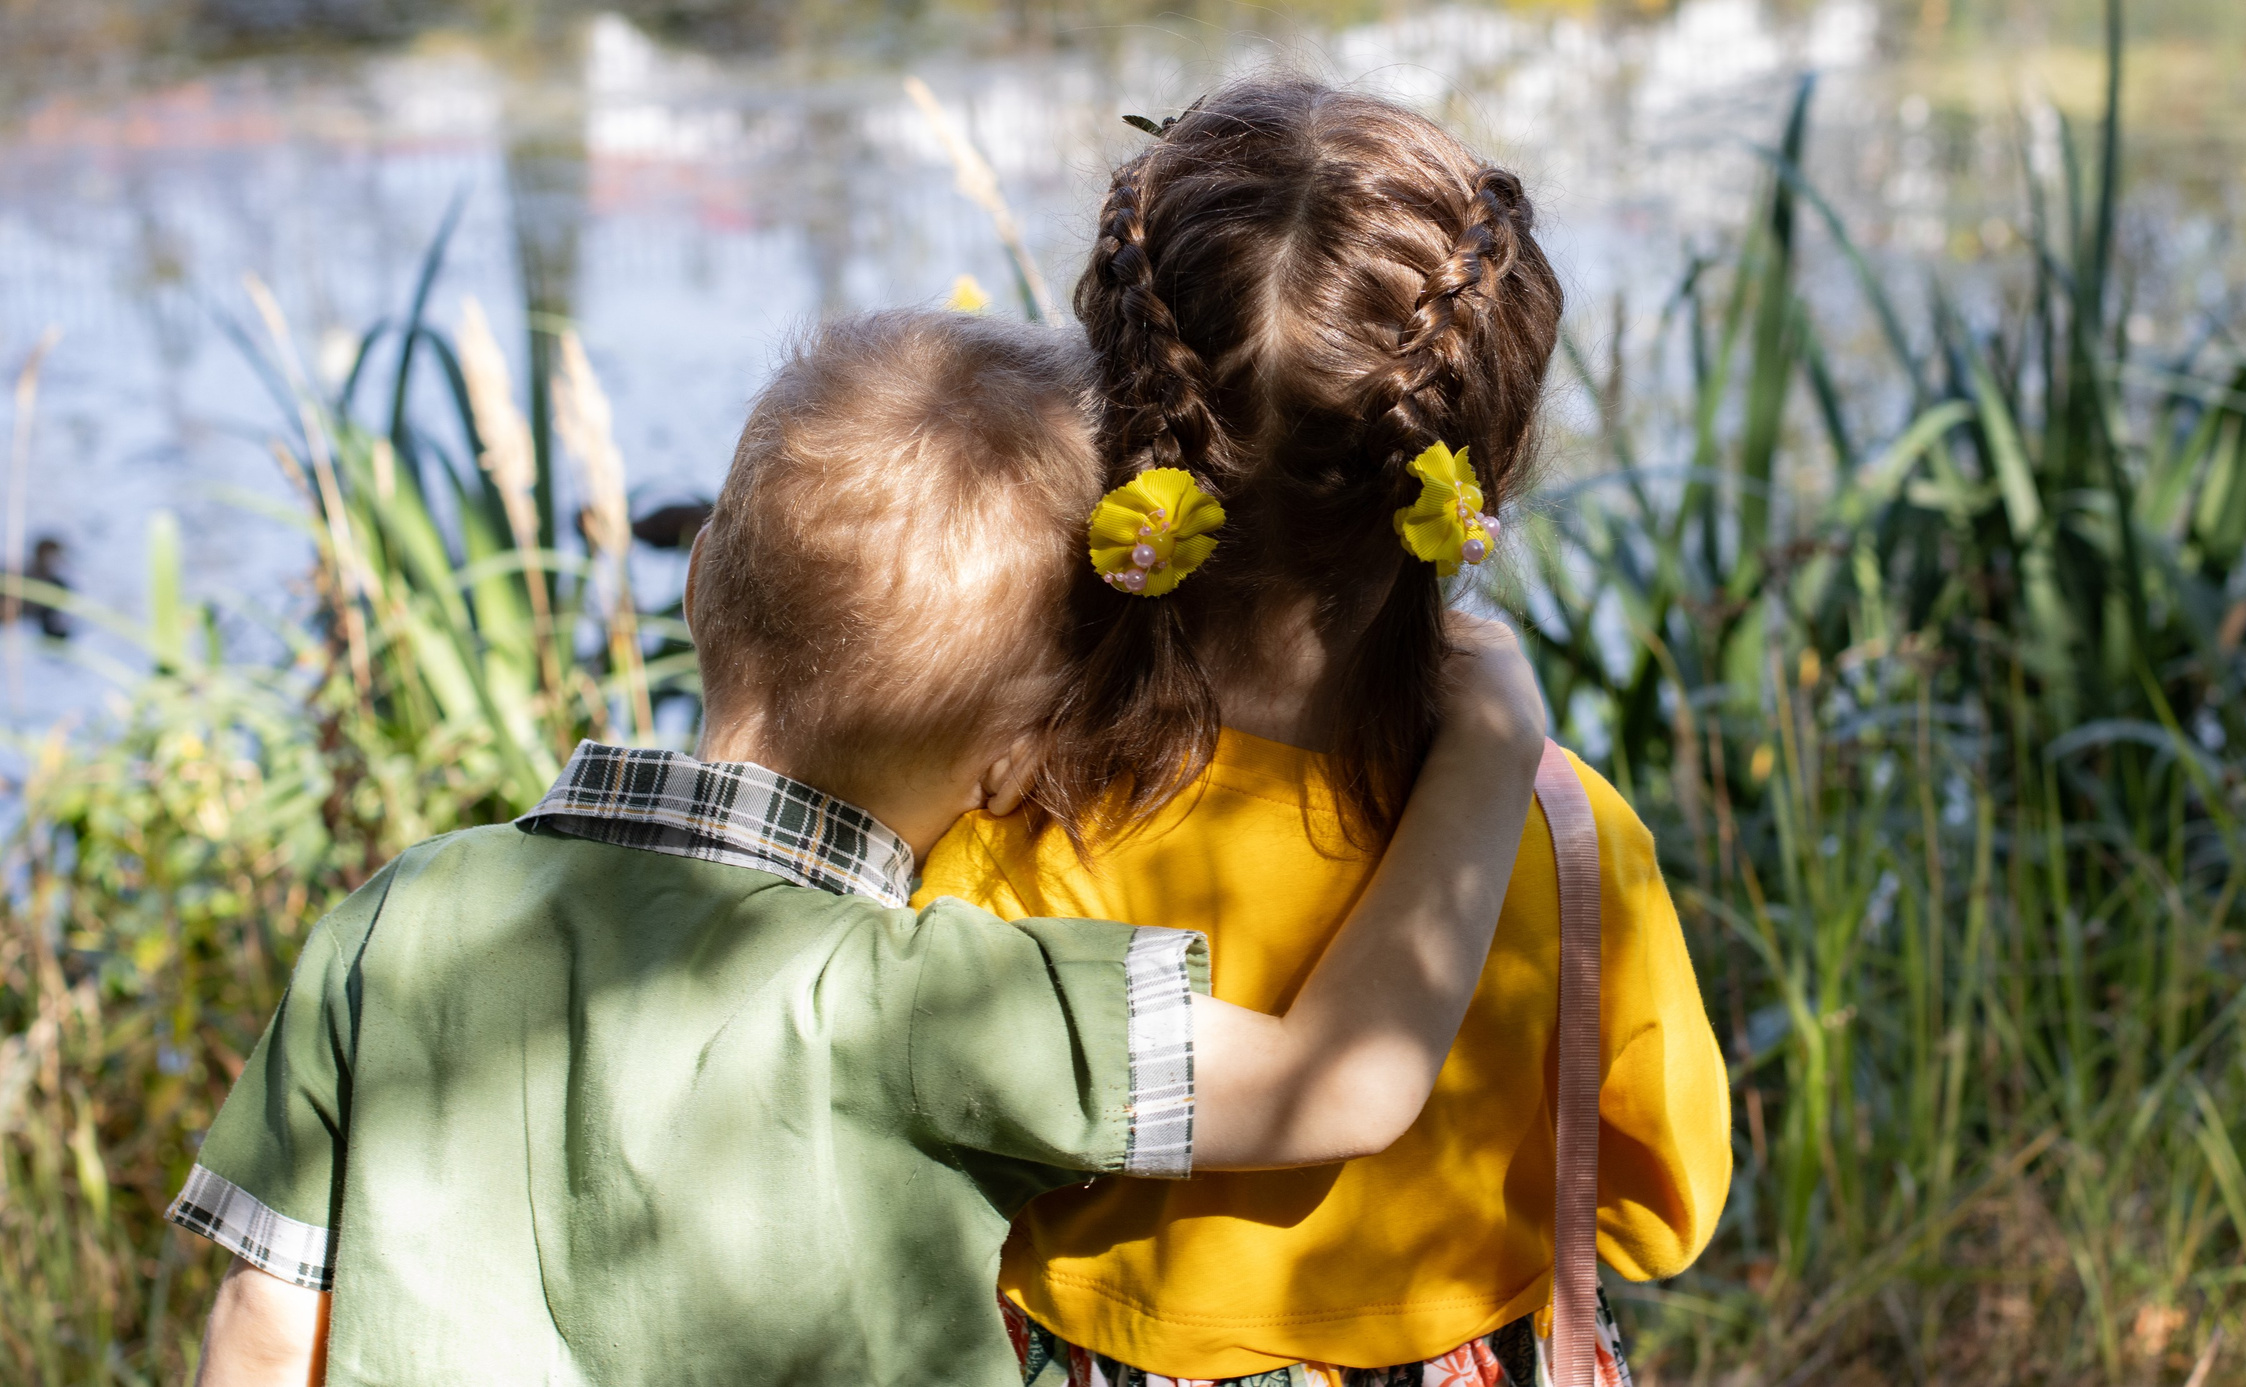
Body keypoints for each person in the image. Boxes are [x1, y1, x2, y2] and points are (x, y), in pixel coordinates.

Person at [176, 309, 1553, 1387]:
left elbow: (264, 1328)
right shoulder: (936, 1002)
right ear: (1023, 756)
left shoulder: (398, 921)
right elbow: (1340, 1084)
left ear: (703, 579)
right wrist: (1490, 751)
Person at [921, 79, 1735, 1385]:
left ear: (1118, 423)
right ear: (1486, 464)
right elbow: (1660, 1205)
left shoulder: (1004, 820)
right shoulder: (1567, 842)